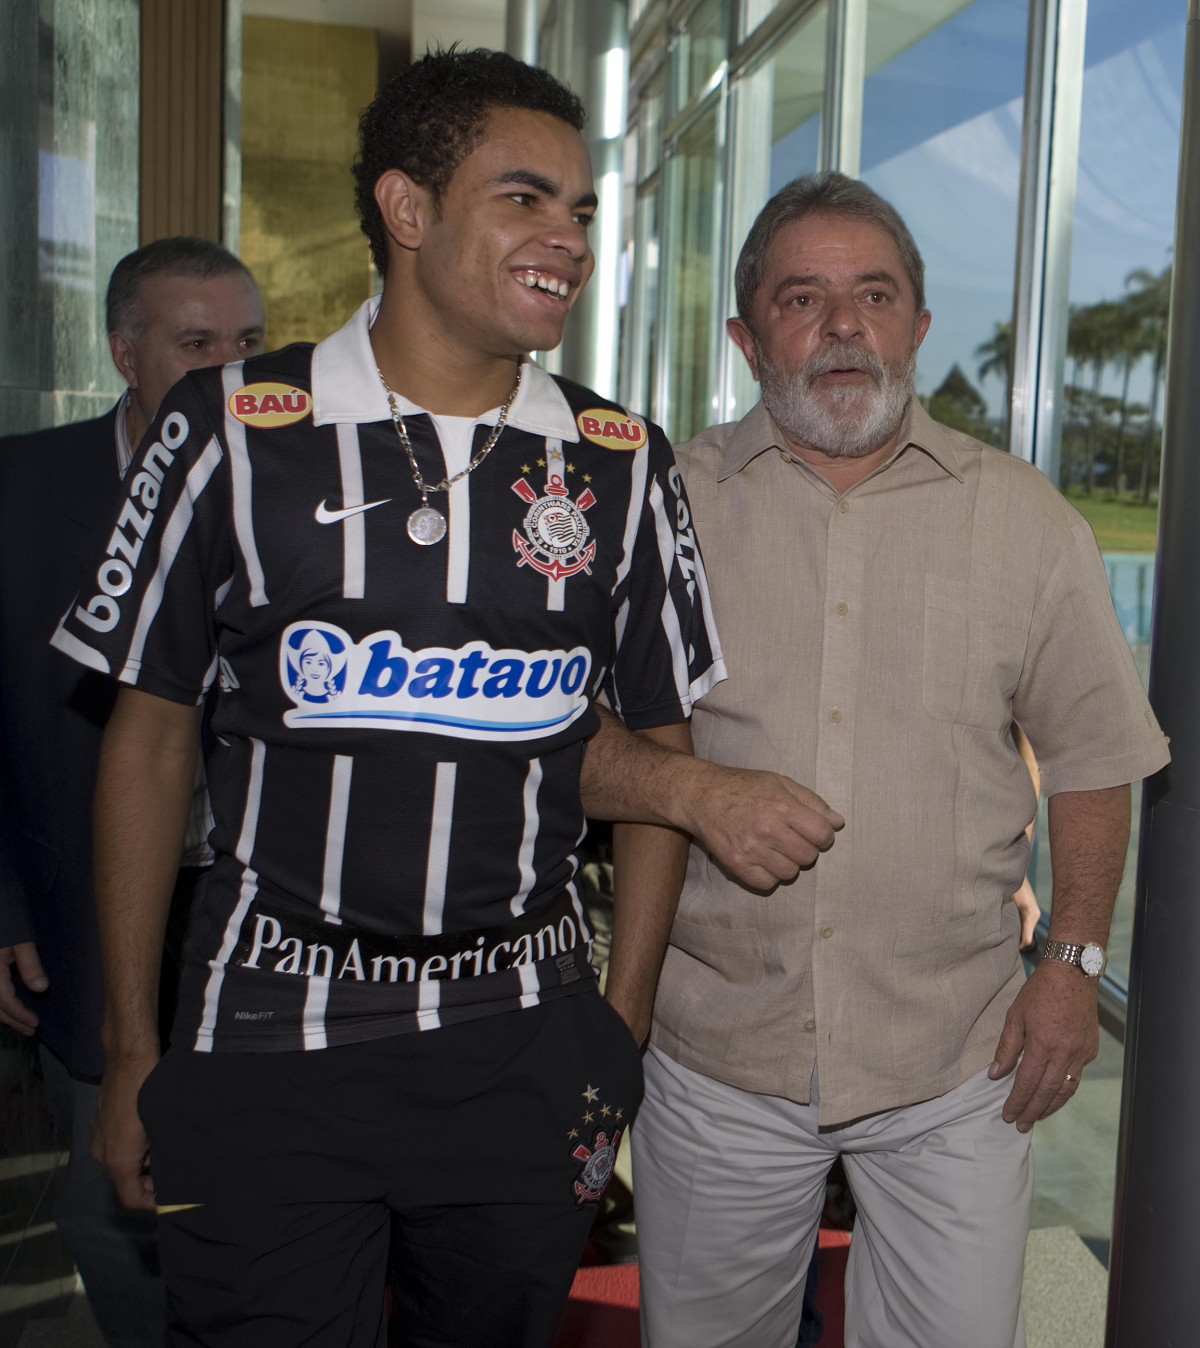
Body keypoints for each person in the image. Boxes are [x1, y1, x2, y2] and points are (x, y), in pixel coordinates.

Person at [52, 50, 844, 1348]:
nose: (567, 239)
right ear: (407, 211)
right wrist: (134, 1047)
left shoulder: (618, 463)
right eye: (524, 199)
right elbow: (145, 746)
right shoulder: (232, 433)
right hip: (266, 1033)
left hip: (522, 1050)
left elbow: (658, 748)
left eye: (583, 211)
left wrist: (619, 1032)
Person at [625, 172, 1171, 1348]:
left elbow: (1092, 753)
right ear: (744, 333)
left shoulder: (1026, 519)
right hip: (719, 1052)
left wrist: (1071, 962)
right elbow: (579, 739)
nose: (842, 326)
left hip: (959, 1063)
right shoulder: (665, 508)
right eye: (801, 297)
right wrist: (696, 790)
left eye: (874, 294)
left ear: (919, 326)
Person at [0, 236, 264, 1346]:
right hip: (88, 909)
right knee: (112, 1193)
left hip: (255, 913)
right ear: (124, 354)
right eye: (196, 343)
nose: (230, 369)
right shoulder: (20, 488)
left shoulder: (299, 479)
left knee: (253, 1190)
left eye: (248, 342)